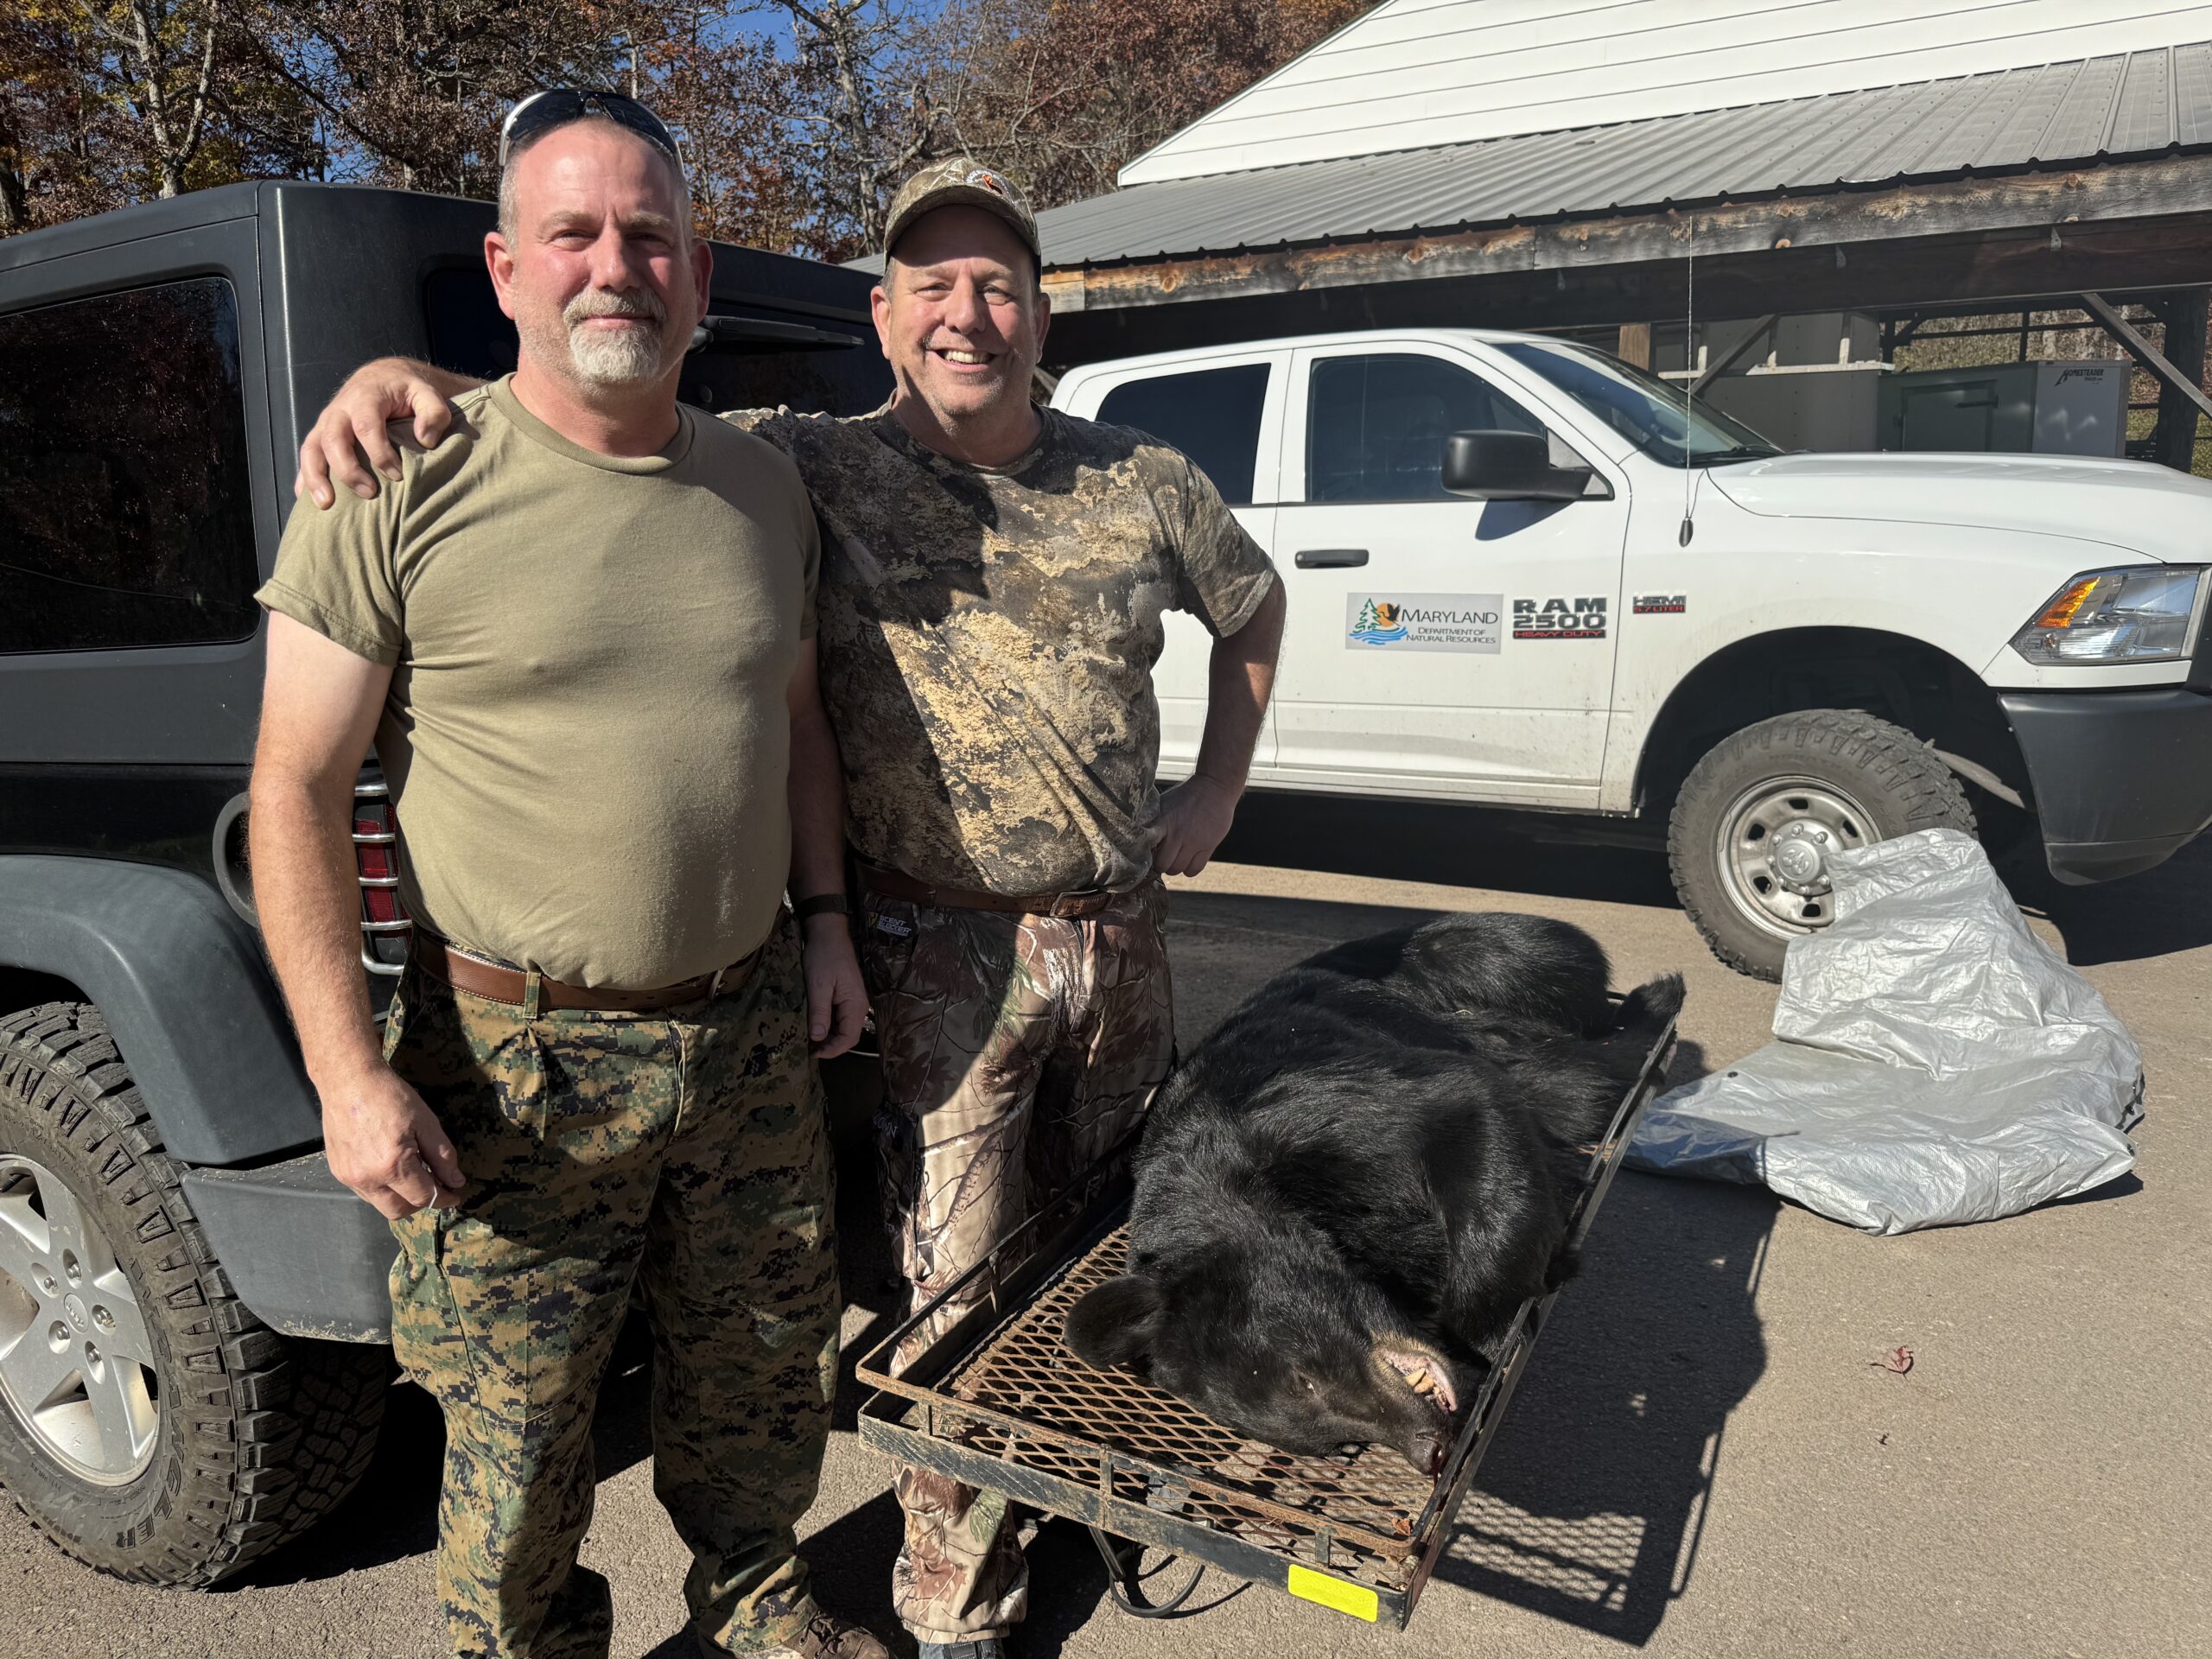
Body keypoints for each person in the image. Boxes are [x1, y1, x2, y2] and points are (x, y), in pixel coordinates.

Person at [296, 156, 1287, 1659]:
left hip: (1067, 944)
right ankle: (954, 1597)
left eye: (1000, 286)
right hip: (866, 964)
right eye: (934, 289)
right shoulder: (812, 459)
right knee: (924, 1288)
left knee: (1056, 1256)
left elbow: (1251, 609)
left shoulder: (1111, 478)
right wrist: (388, 375)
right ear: (881, 319)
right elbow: (583, 382)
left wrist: (1215, 793)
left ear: (1042, 313)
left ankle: (1006, 1512)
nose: (971, 316)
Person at [251, 89, 887, 1659]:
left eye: (652, 235)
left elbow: (795, 721)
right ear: (506, 267)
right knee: (520, 1447)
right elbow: (294, 790)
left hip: (745, 1040)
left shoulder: (762, 488)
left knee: (762, 1375)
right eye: (577, 234)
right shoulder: (394, 475)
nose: (619, 266)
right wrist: (344, 1075)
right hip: (516, 1063)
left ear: (701, 274)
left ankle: (754, 1604)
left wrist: (824, 925)